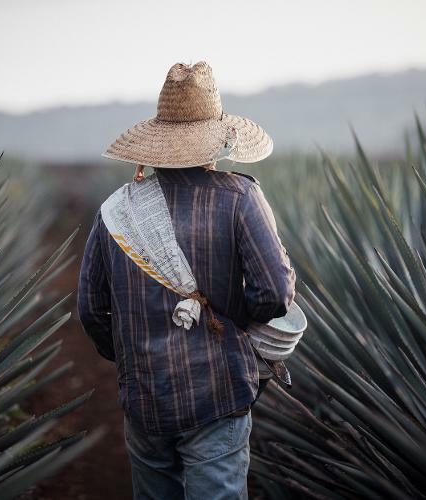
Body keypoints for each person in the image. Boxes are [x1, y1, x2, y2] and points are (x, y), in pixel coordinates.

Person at [77, 61, 295, 500]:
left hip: (144, 399)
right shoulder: (239, 197)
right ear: (216, 138)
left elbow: (90, 309)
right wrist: (233, 331)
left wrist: (134, 358)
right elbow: (274, 292)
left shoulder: (116, 211)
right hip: (217, 394)